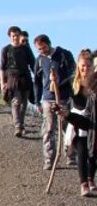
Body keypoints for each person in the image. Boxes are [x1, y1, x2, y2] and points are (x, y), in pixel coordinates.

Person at [33, 34, 77, 171]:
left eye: (44, 48)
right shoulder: (40, 59)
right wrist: (37, 101)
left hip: (64, 97)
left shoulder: (64, 54)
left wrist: (59, 83)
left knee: (67, 127)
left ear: (49, 44)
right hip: (47, 98)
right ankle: (49, 159)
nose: (42, 51)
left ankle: (70, 155)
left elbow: (74, 74)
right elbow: (37, 81)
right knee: (49, 129)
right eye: (39, 49)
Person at [59, 50, 96, 197]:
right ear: (78, 67)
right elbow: (54, 88)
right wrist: (53, 81)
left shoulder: (95, 82)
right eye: (82, 66)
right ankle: (84, 184)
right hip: (76, 119)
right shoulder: (73, 81)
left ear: (92, 67)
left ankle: (91, 179)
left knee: (93, 154)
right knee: (82, 152)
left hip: (93, 121)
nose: (85, 69)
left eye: (88, 66)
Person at [0, 26, 36, 137]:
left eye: (17, 35)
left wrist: (38, 79)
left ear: (19, 35)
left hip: (25, 77)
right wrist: (3, 82)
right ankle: (17, 127)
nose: (15, 38)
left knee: (24, 103)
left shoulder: (25, 49)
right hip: (12, 78)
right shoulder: (5, 49)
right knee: (16, 101)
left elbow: (33, 64)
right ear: (10, 37)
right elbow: (2, 67)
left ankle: (21, 124)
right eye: (13, 36)